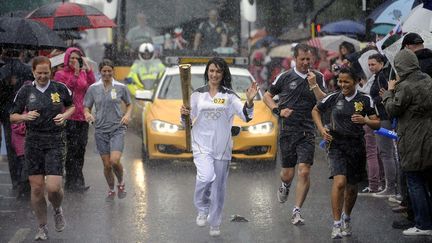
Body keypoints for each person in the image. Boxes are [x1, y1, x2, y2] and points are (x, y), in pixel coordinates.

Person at [180, 57, 258, 237]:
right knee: (205, 177)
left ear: (223, 74)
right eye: (212, 71)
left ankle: (215, 223)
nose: (214, 74)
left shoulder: (229, 96)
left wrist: (250, 101)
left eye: (218, 71)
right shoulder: (197, 94)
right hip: (201, 143)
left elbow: (246, 116)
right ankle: (202, 208)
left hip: (222, 147)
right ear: (207, 72)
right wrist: (183, 114)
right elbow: (186, 121)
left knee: (219, 188)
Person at [10, 56, 75, 240]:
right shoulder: (25, 90)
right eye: (39, 73)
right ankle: (42, 227)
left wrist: (65, 116)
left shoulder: (59, 88)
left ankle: (57, 209)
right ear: (33, 72)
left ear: (51, 72)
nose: (43, 76)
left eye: (46, 73)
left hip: (55, 140)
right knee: (37, 188)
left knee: (53, 188)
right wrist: (24, 116)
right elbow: (12, 115)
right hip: (33, 142)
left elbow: (72, 106)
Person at [312, 67, 380, 239]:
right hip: (336, 144)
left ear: (356, 81)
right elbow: (316, 110)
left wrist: (365, 120)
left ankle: (346, 218)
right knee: (340, 182)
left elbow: (377, 123)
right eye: (340, 81)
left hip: (356, 145)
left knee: (351, 188)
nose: (342, 85)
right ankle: (336, 224)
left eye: (346, 81)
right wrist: (321, 129)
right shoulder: (333, 97)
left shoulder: (365, 99)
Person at [263, 43, 326, 225]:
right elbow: (267, 96)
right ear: (295, 59)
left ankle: (297, 210)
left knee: (304, 171)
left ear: (312, 59)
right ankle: (285, 185)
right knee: (287, 173)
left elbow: (324, 101)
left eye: (308, 59)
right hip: (287, 131)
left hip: (307, 131)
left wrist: (314, 85)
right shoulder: (285, 77)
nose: (306, 62)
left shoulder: (318, 77)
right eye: (302, 59)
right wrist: (278, 110)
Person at [383, 49, 432, 236]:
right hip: (429, 134)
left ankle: (423, 224)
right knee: (427, 180)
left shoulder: (405, 86)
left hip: (412, 137)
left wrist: (388, 92)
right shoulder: (428, 79)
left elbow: (392, 110)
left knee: (414, 180)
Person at [84, 59, 132, 202]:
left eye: (109, 71)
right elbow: (86, 105)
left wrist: (127, 115)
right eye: (104, 71)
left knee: (114, 161)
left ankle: (121, 183)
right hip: (100, 130)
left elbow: (129, 104)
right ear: (100, 72)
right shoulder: (93, 88)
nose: (106, 73)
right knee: (106, 165)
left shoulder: (120, 87)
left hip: (117, 128)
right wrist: (87, 114)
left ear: (113, 71)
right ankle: (111, 189)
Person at [54, 47, 96, 193]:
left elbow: (92, 85)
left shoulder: (84, 73)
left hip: (82, 117)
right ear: (66, 59)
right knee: (71, 150)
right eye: (71, 58)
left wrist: (87, 68)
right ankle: (73, 181)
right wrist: (76, 74)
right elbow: (66, 92)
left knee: (81, 149)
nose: (74, 60)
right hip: (69, 116)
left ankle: (77, 179)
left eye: (77, 58)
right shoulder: (60, 74)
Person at [0, 49, 33, 190]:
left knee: (11, 146)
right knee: (27, 145)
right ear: (20, 54)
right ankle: (25, 177)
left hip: (7, 112)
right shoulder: (27, 70)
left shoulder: (3, 71)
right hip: (25, 110)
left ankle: (16, 180)